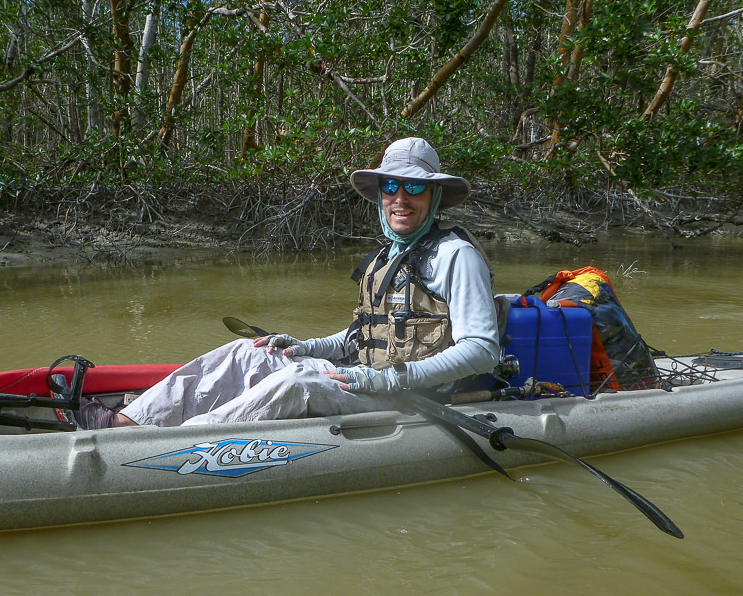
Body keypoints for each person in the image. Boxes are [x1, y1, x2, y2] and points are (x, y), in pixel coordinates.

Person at [102, 137, 500, 429]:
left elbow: (482, 350)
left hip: (409, 396)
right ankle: (129, 422)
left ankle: (172, 446)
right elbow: (363, 335)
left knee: (299, 380)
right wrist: (307, 346)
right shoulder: (386, 255)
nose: (400, 197)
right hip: (362, 377)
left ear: (433, 195)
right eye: (391, 186)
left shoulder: (456, 256)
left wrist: (387, 378)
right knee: (250, 352)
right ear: (380, 195)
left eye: (413, 187)